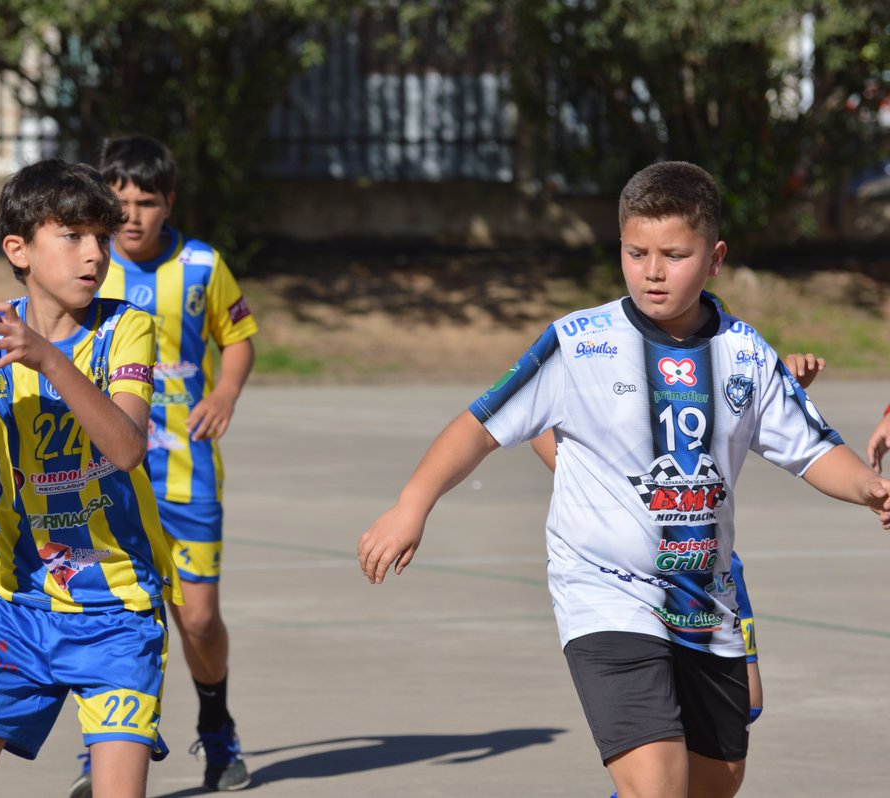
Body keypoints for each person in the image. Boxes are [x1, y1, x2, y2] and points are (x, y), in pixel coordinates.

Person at [357, 161, 890, 798]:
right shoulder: (579, 344)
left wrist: (868, 488)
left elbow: (811, 449)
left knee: (714, 785)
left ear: (715, 257)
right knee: (657, 784)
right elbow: (479, 425)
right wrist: (411, 504)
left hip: (704, 599)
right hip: (603, 592)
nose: (653, 271)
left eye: (674, 254)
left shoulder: (746, 353)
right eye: (637, 253)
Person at [0, 159, 182, 798]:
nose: (94, 255)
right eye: (72, 236)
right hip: (13, 609)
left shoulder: (125, 327)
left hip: (118, 611)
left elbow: (129, 448)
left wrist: (47, 358)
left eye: (101, 239)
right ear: (17, 249)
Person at [531, 347, 825, 798]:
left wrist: (781, 396)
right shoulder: (607, 353)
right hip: (627, 585)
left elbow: (747, 418)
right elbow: (537, 422)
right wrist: (598, 481)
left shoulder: (731, 348)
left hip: (714, 575)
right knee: (655, 762)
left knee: (748, 708)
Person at [69, 134, 258, 796]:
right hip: (109, 479)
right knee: (119, 617)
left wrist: (225, 392)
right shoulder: (87, 267)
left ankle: (217, 723)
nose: (131, 215)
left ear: (169, 202)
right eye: (118, 201)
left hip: (186, 473)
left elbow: (238, 339)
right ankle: (109, 746)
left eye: (146, 201)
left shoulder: (203, 266)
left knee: (197, 619)